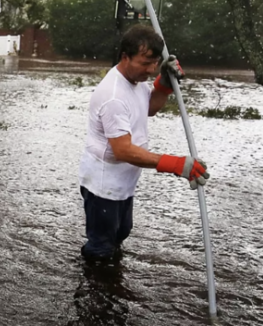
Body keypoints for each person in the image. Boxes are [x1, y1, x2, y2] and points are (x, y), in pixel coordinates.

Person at [78, 24, 209, 261]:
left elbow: (148, 108)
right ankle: (93, 290)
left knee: (121, 232)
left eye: (155, 63)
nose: (150, 70)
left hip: (123, 182)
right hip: (104, 185)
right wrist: (175, 164)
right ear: (125, 57)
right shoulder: (113, 95)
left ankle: (108, 282)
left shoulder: (135, 82)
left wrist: (163, 84)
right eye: (144, 62)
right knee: (101, 247)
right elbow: (123, 150)